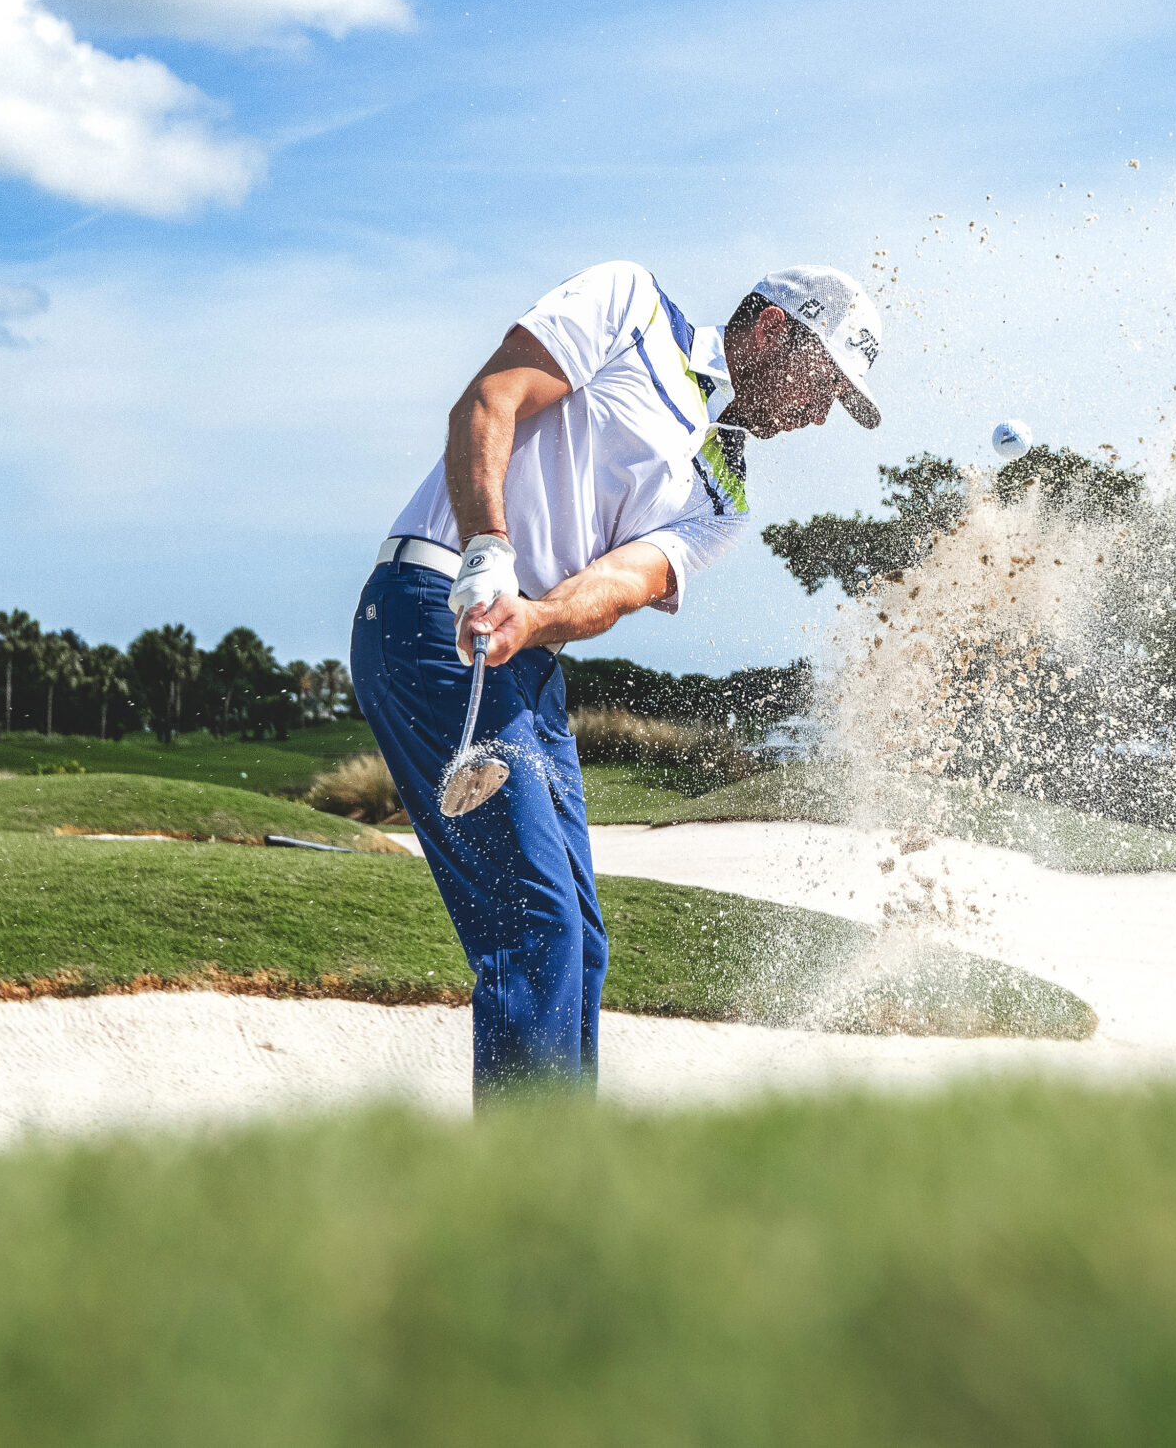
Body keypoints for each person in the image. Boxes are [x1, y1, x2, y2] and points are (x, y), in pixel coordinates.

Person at [351, 260, 882, 1103]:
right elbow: (490, 401)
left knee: (581, 942)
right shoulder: (634, 307)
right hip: (431, 610)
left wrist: (534, 618)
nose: (821, 415)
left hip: (524, 651)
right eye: (825, 385)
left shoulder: (727, 495)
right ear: (775, 329)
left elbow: (621, 583)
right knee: (535, 922)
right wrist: (490, 545)